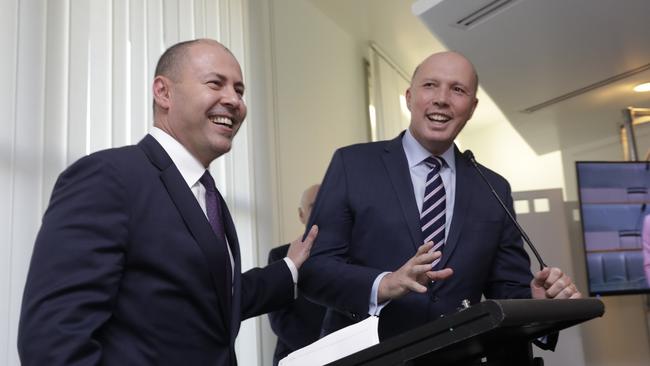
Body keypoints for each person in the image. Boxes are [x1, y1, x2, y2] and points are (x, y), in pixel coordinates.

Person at [17, 39, 317, 366]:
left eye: (240, 91)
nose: (234, 100)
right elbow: (53, 343)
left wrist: (288, 268)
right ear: (163, 93)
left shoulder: (208, 195)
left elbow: (208, 299)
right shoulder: (108, 177)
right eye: (215, 83)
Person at [300, 51, 581, 343]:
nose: (442, 99)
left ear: (472, 108)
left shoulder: (493, 188)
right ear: (409, 97)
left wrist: (536, 303)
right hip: (368, 354)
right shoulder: (353, 164)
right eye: (430, 85)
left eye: (458, 90)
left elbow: (507, 289)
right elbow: (314, 272)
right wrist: (385, 283)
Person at [267, 184, 326, 365]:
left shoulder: (349, 255)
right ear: (301, 215)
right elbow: (280, 318)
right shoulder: (280, 256)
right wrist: (321, 350)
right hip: (296, 357)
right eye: (313, 206)